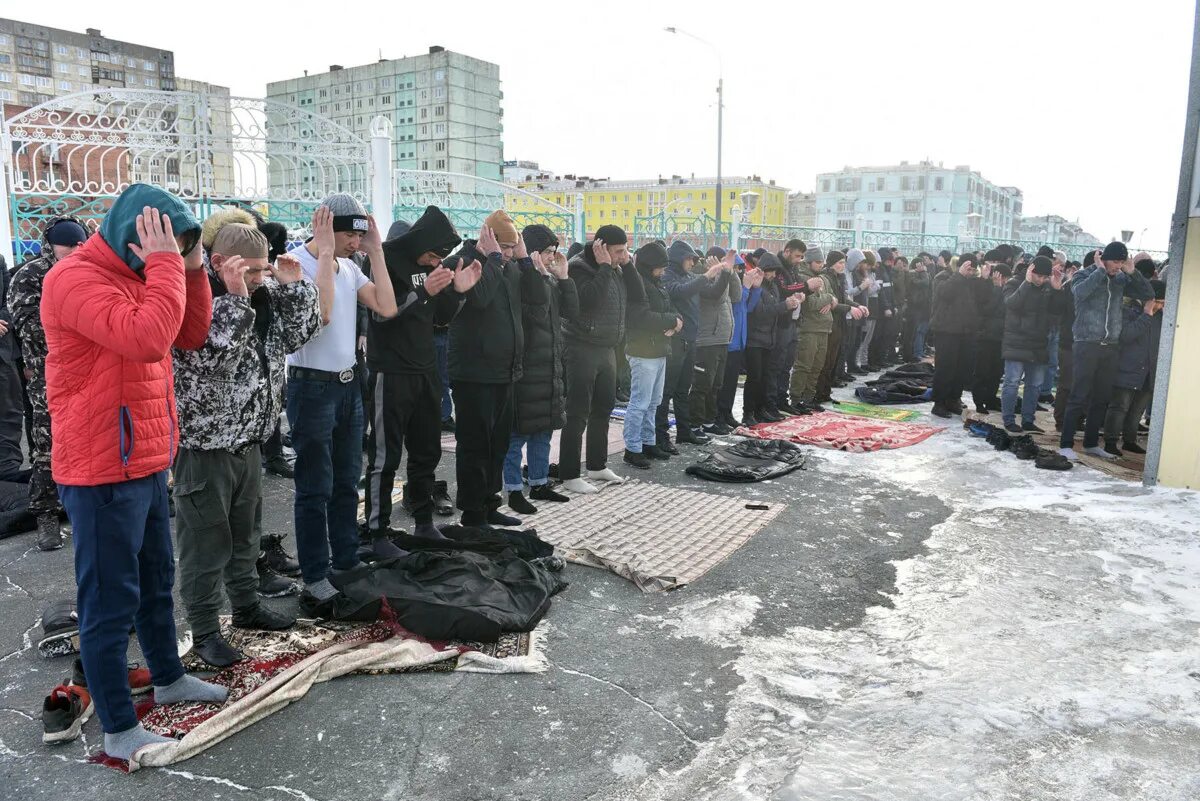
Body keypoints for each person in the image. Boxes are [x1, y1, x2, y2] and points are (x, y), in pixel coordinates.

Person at [41, 184, 227, 760]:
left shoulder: (142, 272)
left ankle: (168, 679)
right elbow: (148, 340)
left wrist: (192, 267)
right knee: (109, 601)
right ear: (134, 234)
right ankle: (120, 730)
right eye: (166, 240)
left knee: (155, 583)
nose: (171, 252)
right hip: (100, 468)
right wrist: (168, 263)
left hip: (143, 458)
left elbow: (189, 333)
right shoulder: (73, 280)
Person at [172, 222, 321, 666]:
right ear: (219, 263)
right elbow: (212, 358)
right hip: (206, 448)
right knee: (205, 544)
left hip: (250, 441)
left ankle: (246, 607)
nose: (260, 278)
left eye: (263, 269)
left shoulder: (261, 299)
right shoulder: (198, 300)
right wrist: (236, 298)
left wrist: (296, 289)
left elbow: (300, 335)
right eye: (251, 270)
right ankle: (203, 630)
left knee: (245, 538)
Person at [286, 196, 399, 615]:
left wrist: (377, 253)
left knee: (346, 480)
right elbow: (324, 314)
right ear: (325, 227)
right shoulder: (294, 264)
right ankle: (315, 573)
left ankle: (346, 560)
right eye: (349, 233)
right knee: (314, 486)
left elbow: (386, 307)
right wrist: (327, 253)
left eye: (358, 233)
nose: (355, 240)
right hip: (311, 387)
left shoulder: (351, 266)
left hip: (350, 385)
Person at [359, 206, 464, 555]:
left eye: (440, 258)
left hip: (424, 371)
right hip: (390, 371)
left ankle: (423, 520)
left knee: (426, 452)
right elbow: (381, 312)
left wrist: (458, 292)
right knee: (384, 457)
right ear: (420, 242)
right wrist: (423, 293)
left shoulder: (430, 268)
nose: (435, 263)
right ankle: (377, 533)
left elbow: (439, 319)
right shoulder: (384, 259)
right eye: (433, 254)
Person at [7, 216, 88, 550]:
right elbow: (28, 324)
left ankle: (82, 511)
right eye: (67, 245)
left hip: (90, 372)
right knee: (48, 445)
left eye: (79, 243)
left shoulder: (91, 271)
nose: (73, 250)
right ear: (51, 246)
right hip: (49, 375)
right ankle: (45, 516)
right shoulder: (30, 275)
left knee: (91, 442)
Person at [446, 211, 528, 528]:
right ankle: (472, 511)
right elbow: (478, 298)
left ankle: (490, 502)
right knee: (475, 445)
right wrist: (493, 259)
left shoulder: (505, 266)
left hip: (504, 370)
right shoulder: (466, 260)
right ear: (488, 238)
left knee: (498, 442)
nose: (508, 253)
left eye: (511, 247)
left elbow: (533, 297)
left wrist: (522, 261)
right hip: (473, 371)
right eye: (505, 247)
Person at [502, 224, 578, 512]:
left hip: (550, 366)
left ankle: (539, 482)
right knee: (517, 434)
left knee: (544, 430)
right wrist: (541, 277)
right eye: (547, 252)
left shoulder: (549, 279)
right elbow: (535, 316)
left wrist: (564, 278)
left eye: (554, 252)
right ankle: (513, 489)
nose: (551, 258)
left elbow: (572, 314)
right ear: (532, 252)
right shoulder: (521, 278)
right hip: (526, 369)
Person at [1058, 242, 1153, 461]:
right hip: (1086, 343)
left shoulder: (1121, 278)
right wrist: (1100, 270)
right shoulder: (1084, 275)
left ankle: (1091, 443)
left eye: (1122, 262)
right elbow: (1080, 294)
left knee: (1101, 397)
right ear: (1103, 259)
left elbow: (1147, 293)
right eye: (1115, 262)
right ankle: (1066, 444)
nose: (1118, 266)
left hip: (1110, 346)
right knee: (1078, 395)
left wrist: (1133, 272)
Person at [559, 226, 630, 494]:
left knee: (603, 408)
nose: (623, 256)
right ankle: (569, 474)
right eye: (618, 251)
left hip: (606, 347)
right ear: (600, 248)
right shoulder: (579, 267)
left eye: (625, 250)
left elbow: (631, 294)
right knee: (577, 412)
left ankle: (597, 465)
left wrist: (619, 266)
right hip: (581, 346)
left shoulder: (616, 268)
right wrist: (603, 268)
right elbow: (587, 302)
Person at [657, 241, 724, 449]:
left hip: (691, 340)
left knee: (683, 390)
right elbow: (679, 291)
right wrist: (705, 276)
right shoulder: (668, 275)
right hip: (675, 341)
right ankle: (661, 436)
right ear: (678, 258)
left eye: (694, 259)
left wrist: (726, 274)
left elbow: (713, 293)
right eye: (689, 258)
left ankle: (684, 432)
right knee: (667, 391)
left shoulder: (690, 277)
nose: (692, 262)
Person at [620, 241, 682, 468]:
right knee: (640, 402)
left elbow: (670, 310)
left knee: (654, 402)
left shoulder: (657, 284)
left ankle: (648, 441)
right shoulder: (639, 285)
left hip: (659, 349)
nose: (663, 270)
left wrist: (677, 322)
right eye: (660, 266)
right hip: (642, 351)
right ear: (649, 266)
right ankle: (632, 448)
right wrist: (670, 321)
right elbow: (641, 317)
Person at [998, 256, 1065, 433]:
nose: (1041, 280)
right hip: (1016, 341)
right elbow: (1012, 304)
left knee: (1034, 385)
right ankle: (1008, 419)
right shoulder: (1014, 282)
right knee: (1012, 383)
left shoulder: (1048, 288)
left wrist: (1058, 290)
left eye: (1045, 277)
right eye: (1038, 276)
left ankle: (1028, 419)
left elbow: (1058, 312)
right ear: (1031, 271)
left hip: (1039, 343)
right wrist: (1026, 284)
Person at [1103, 280, 1165, 457]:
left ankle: (1130, 441)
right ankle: (1111, 441)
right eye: (1158, 302)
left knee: (1137, 410)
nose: (1160, 306)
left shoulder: (1162, 318)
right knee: (1119, 407)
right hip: (1127, 369)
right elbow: (1126, 335)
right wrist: (1146, 315)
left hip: (1148, 373)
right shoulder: (1129, 312)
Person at [929, 253, 994, 418]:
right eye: (968, 268)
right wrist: (959, 276)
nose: (971, 272)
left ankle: (953, 399)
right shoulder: (943, 277)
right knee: (945, 367)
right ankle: (939, 402)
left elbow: (984, 299)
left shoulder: (973, 282)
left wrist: (986, 280)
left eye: (974, 269)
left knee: (963, 368)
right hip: (946, 331)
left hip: (968, 331)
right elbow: (944, 294)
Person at [743, 253, 801, 426]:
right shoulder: (757, 286)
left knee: (764, 377)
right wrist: (784, 306)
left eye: (775, 272)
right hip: (755, 339)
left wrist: (791, 303)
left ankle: (761, 410)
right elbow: (760, 312)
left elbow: (774, 309)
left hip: (769, 338)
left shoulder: (773, 287)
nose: (774, 275)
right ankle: (748, 412)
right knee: (754, 378)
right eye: (771, 272)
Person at [691, 247, 742, 435]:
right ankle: (695, 423)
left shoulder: (725, 274)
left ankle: (710, 421)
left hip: (722, 338)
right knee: (702, 385)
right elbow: (717, 297)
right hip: (706, 339)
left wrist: (731, 272)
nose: (725, 264)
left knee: (716, 385)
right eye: (722, 260)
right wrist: (721, 273)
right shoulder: (701, 275)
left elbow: (736, 296)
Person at [715, 257, 763, 429]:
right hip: (727, 340)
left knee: (732, 382)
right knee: (723, 382)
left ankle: (727, 413)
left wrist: (755, 289)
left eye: (738, 268)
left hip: (738, 340)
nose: (737, 271)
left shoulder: (738, 283)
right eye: (733, 268)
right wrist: (745, 287)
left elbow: (747, 307)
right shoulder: (723, 283)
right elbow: (736, 301)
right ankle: (718, 415)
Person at [788, 247, 838, 412]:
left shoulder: (822, 278)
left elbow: (834, 300)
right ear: (808, 262)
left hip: (824, 327)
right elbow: (811, 305)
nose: (821, 264)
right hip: (809, 328)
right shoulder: (803, 278)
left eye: (822, 261)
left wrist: (829, 300)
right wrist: (828, 299)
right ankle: (796, 399)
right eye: (817, 262)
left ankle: (808, 398)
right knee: (804, 365)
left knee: (817, 366)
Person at [769, 240, 807, 414]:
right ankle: (772, 401)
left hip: (793, 322)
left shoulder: (793, 268)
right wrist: (806, 287)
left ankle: (782, 399)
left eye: (801, 257)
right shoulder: (778, 267)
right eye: (797, 256)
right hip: (782, 323)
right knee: (777, 363)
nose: (800, 260)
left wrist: (802, 293)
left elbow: (795, 287)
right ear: (787, 252)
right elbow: (784, 289)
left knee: (787, 364)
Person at [971, 256, 1008, 414]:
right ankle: (979, 402)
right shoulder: (985, 288)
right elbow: (988, 309)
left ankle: (991, 399)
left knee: (996, 372)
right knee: (982, 371)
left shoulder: (1005, 290)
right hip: (985, 336)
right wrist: (996, 288)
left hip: (1000, 337)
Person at [906, 254, 933, 360]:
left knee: (922, 330)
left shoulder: (925, 274)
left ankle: (920, 351)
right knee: (917, 331)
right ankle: (916, 353)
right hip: (916, 306)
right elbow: (924, 283)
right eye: (920, 264)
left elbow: (929, 285)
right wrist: (923, 272)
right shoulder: (913, 275)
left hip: (925, 306)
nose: (922, 266)